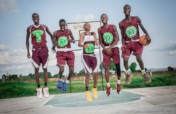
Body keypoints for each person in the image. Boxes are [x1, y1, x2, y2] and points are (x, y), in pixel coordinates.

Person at [119, 4, 152, 84]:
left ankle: (144, 73)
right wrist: (123, 44)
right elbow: (122, 36)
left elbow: (142, 27)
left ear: (130, 10)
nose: (126, 10)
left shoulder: (136, 19)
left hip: (137, 42)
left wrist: (147, 34)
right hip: (127, 43)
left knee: (138, 59)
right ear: (123, 11)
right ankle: (128, 74)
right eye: (125, 9)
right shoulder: (121, 23)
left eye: (128, 9)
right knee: (125, 60)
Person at [26, 13, 53, 98]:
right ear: (32, 19)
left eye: (37, 17)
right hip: (35, 50)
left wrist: (54, 46)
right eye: (34, 18)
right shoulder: (29, 28)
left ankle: (45, 88)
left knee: (45, 69)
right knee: (36, 69)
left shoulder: (44, 27)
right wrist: (28, 51)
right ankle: (38, 89)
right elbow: (26, 40)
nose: (35, 19)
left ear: (39, 18)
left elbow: (52, 35)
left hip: (44, 49)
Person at [98, 14, 121, 96]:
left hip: (114, 47)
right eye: (102, 18)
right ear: (101, 19)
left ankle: (118, 83)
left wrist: (110, 47)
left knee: (117, 66)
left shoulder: (113, 26)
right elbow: (100, 41)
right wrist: (105, 49)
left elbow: (117, 38)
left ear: (107, 18)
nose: (104, 19)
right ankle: (108, 86)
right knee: (106, 67)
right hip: (105, 50)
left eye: (105, 17)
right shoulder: (100, 29)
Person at [52, 19, 75, 92]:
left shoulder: (69, 31)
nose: (62, 26)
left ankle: (66, 82)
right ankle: (59, 80)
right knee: (62, 69)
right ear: (59, 25)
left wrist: (71, 40)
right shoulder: (55, 33)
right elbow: (54, 43)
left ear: (65, 25)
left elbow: (74, 40)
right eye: (61, 25)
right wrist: (56, 44)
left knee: (72, 70)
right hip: (60, 52)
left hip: (69, 51)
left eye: (63, 25)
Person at [78, 22, 98, 102]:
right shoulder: (83, 34)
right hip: (85, 56)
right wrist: (83, 45)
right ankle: (87, 91)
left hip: (92, 55)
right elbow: (79, 44)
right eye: (86, 25)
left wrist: (96, 42)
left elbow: (96, 42)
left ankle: (94, 88)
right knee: (87, 73)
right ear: (84, 27)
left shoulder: (94, 33)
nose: (88, 26)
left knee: (96, 73)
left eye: (89, 25)